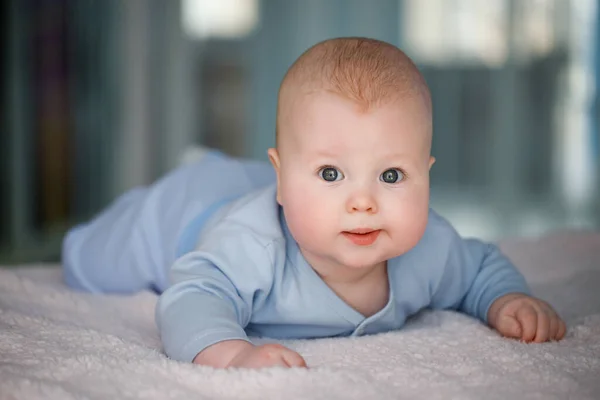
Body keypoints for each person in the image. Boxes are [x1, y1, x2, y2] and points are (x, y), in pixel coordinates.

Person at [62, 37, 566, 370]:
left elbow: (481, 267)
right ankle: (205, 168)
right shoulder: (252, 248)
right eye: (332, 173)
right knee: (91, 261)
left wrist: (507, 300)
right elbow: (191, 299)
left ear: (426, 177)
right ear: (284, 180)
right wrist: (234, 355)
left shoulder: (430, 248)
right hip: (187, 211)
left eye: (392, 175)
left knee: (285, 186)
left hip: (275, 186)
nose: (363, 202)